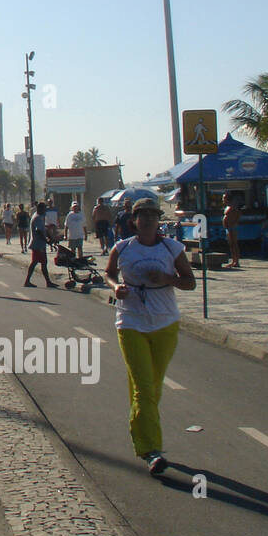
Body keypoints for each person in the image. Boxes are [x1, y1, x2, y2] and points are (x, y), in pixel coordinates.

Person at [105, 197, 196, 476]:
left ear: (159, 220)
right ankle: (151, 449)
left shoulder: (172, 248)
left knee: (152, 387)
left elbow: (190, 282)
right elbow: (108, 274)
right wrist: (115, 287)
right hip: (131, 322)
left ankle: (140, 427)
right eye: (141, 216)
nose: (146, 220)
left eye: (151, 216)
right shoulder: (122, 248)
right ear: (133, 221)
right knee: (144, 388)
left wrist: (167, 279)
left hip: (165, 323)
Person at [24, 203, 58, 288]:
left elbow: (44, 229)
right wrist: (47, 241)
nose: (45, 210)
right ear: (39, 209)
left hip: (40, 244)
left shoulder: (40, 216)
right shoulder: (37, 218)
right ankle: (29, 281)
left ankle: (47, 281)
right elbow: (39, 231)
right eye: (44, 209)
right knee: (38, 262)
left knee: (41, 262)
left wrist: (50, 238)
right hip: (38, 244)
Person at [222, 195, 241, 269]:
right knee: (231, 244)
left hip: (232, 227)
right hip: (228, 228)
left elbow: (238, 214)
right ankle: (234, 260)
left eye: (223, 198)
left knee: (234, 244)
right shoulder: (227, 207)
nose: (222, 200)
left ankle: (236, 261)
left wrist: (234, 222)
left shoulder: (233, 207)